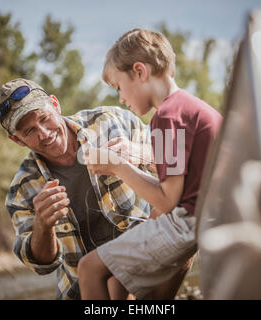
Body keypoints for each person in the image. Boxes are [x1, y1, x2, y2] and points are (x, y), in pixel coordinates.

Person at [78, 28, 223, 299]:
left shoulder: (167, 117)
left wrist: (117, 166)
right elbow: (181, 188)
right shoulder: (190, 108)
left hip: (188, 224)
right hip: (209, 217)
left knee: (89, 269)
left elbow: (167, 200)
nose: (121, 99)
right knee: (117, 282)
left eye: (120, 87)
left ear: (140, 72)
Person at [0, 78, 154, 300]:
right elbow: (42, 264)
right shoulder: (21, 190)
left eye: (44, 118)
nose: (43, 133)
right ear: (16, 140)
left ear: (55, 105)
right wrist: (43, 225)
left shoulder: (111, 122)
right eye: (29, 131)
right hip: (81, 291)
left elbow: (177, 158)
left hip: (145, 264)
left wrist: (138, 153)